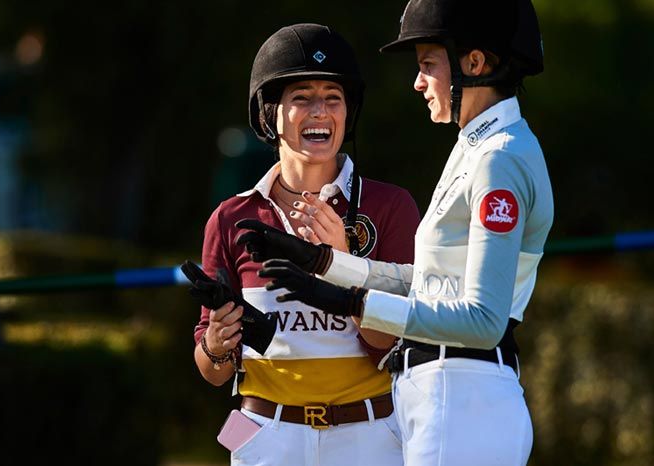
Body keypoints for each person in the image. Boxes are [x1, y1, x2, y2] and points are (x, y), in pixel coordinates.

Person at [237, 1, 553, 464]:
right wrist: (328, 265)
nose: (418, 82)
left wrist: (352, 303)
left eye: (427, 65)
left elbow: (484, 321)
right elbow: (432, 283)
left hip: (461, 396)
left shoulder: (498, 160)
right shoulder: (477, 149)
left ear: (475, 63)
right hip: (446, 397)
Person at [190, 23, 421, 465]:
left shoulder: (392, 206)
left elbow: (388, 343)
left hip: (369, 437)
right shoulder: (229, 218)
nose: (320, 111)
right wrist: (217, 344)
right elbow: (213, 371)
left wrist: (344, 266)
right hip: (264, 438)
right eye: (302, 98)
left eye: (332, 98)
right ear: (268, 114)